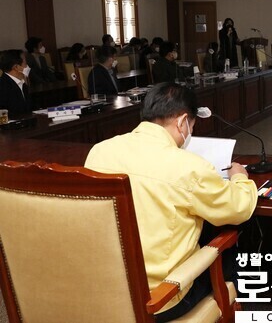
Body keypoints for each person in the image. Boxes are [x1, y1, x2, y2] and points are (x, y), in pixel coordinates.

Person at [84, 82, 257, 322]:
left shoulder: (100, 151)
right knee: (234, 252)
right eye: (192, 127)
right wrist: (240, 178)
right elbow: (238, 208)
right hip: (161, 298)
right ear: (182, 121)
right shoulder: (188, 166)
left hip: (107, 289)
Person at [0, 49, 32, 117]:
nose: (27, 66)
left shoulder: (22, 84)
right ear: (16, 67)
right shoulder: (3, 86)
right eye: (25, 63)